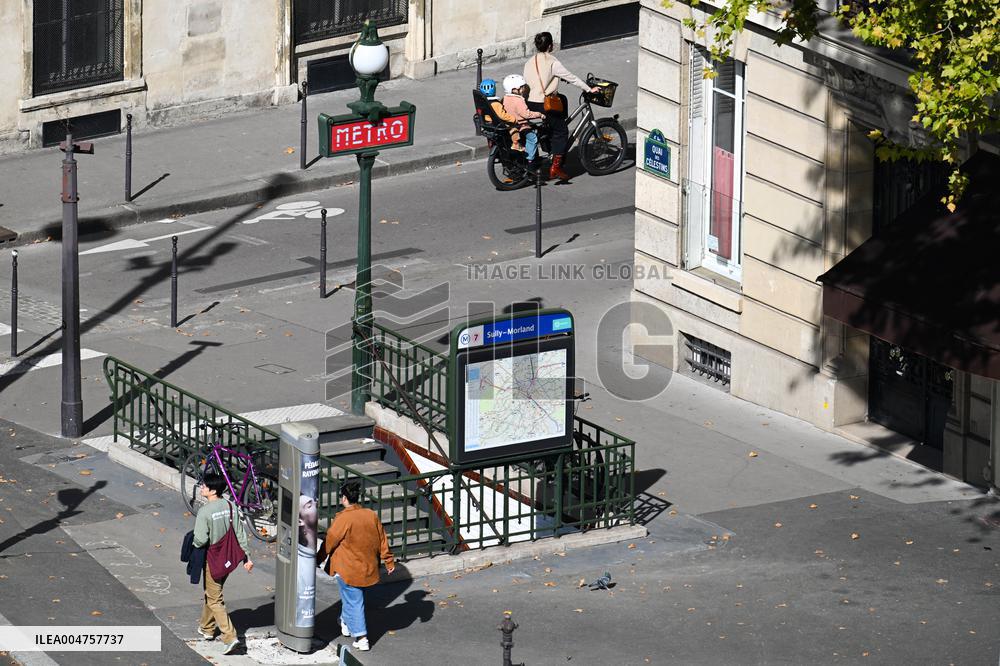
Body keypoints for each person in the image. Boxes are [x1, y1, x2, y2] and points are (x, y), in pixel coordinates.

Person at [319, 482, 395, 652]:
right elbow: (382, 539)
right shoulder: (370, 515)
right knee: (352, 598)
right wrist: (388, 561)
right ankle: (345, 622)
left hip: (347, 568)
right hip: (367, 568)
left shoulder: (343, 518)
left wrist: (318, 559)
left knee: (354, 601)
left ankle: (361, 637)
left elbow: (330, 541)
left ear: (344, 498)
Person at [523, 31, 599, 181]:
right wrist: (589, 89)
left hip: (529, 102)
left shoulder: (529, 61)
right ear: (550, 46)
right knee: (562, 131)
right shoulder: (552, 62)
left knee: (561, 101)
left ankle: (552, 146)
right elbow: (572, 78)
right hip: (543, 104)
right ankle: (556, 167)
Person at [192, 472, 253, 655]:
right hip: (228, 558)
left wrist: (192, 542)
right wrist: (246, 556)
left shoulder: (205, 511)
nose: (201, 488)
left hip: (212, 559)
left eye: (203, 486)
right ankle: (207, 628)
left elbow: (200, 540)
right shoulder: (230, 505)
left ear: (212, 491)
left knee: (215, 598)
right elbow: (240, 532)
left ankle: (230, 637)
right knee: (212, 592)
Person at [502, 74, 545, 166]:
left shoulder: (505, 98)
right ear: (514, 89)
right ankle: (530, 159)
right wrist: (539, 114)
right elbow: (526, 114)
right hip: (521, 125)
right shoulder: (518, 100)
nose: (523, 90)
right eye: (521, 88)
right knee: (533, 138)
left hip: (511, 125)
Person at [479, 78, 522, 150]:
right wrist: (513, 119)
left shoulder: (483, 102)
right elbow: (503, 116)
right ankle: (515, 144)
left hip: (487, 122)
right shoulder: (496, 104)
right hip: (497, 124)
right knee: (514, 129)